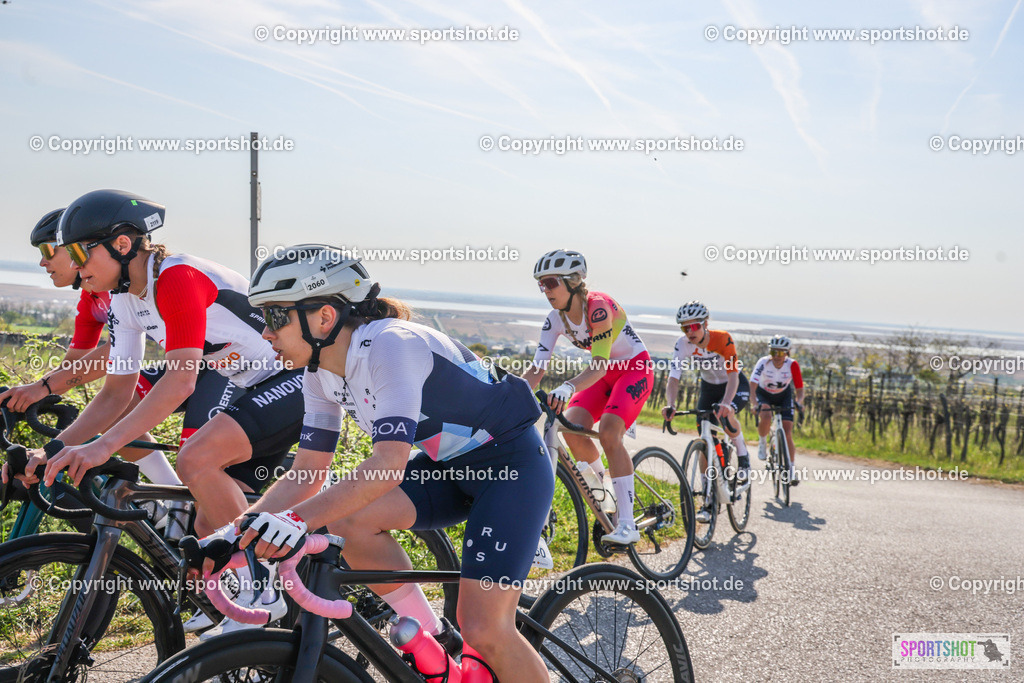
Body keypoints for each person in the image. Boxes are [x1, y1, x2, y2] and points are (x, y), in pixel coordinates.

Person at [222, 244, 553, 680]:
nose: (266, 332)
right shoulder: (319, 373)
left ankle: (472, 641)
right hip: (448, 466)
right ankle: (437, 642)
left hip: (510, 467)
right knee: (348, 522)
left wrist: (296, 521)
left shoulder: (390, 345)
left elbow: (388, 464)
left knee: (487, 628)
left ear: (324, 317)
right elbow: (306, 472)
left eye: (276, 317)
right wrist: (229, 535)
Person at [2, 189, 306, 637]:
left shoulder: (178, 276)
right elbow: (115, 395)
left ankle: (258, 592)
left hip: (296, 380)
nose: (76, 264)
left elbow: (182, 380)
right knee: (209, 521)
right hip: (249, 385)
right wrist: (55, 450)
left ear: (122, 245)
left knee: (196, 459)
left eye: (80, 253)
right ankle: (260, 621)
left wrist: (100, 446)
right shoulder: (125, 300)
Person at [0, 208, 180, 491]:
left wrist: (43, 387)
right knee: (113, 407)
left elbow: (115, 352)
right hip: (182, 366)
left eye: (48, 250)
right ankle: (170, 494)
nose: (42, 262)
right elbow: (73, 365)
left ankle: (175, 497)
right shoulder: (92, 297)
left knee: (118, 405)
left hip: (204, 366)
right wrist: (30, 391)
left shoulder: (115, 286)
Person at [521, 249, 654, 545]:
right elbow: (536, 369)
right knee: (572, 428)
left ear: (574, 281)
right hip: (604, 375)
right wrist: (508, 393)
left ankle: (628, 524)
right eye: (541, 284)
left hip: (634, 368)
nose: (545, 290)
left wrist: (568, 386)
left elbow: (598, 365)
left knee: (609, 433)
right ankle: (605, 492)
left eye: (551, 282)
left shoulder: (598, 307)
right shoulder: (554, 319)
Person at [661, 300, 751, 523]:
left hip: (734, 385)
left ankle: (743, 454)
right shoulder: (682, 344)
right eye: (684, 327)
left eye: (694, 326)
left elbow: (732, 376)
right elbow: (673, 378)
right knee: (704, 438)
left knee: (727, 416)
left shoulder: (722, 338)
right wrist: (670, 404)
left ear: (705, 324)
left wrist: (727, 403)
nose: (689, 332)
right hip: (709, 388)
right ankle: (708, 498)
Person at [750, 335, 805, 484]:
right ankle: (762, 443)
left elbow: (800, 389)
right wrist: (754, 403)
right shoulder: (763, 362)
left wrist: (799, 402)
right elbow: (752, 385)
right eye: (773, 352)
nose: (776, 356)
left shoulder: (792, 364)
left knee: (787, 432)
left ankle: (791, 469)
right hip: (764, 394)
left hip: (784, 395)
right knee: (766, 416)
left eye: (780, 353)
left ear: (787, 353)